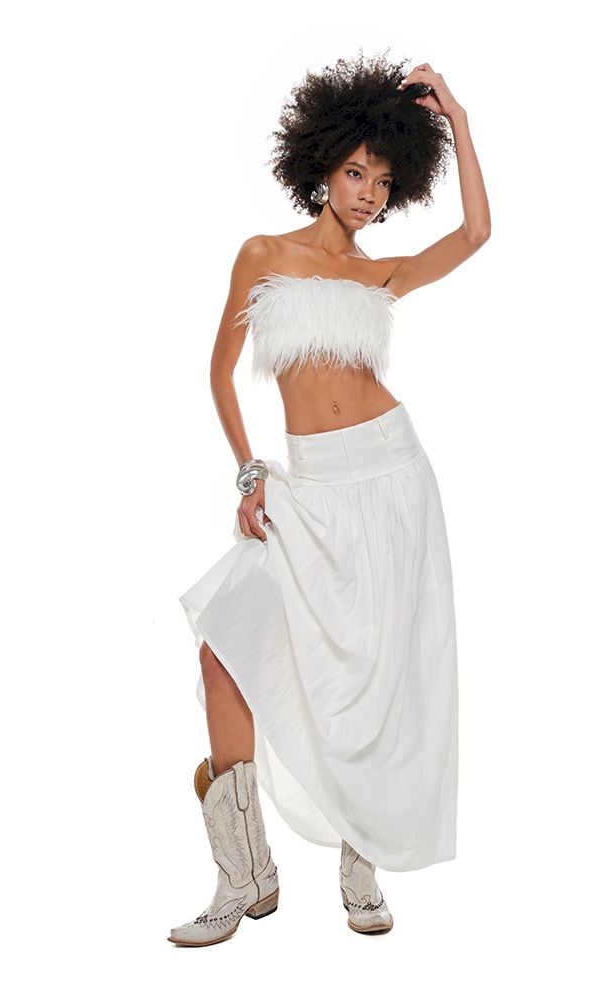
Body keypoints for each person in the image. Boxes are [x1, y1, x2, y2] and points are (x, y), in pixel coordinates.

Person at [168, 49, 490, 947]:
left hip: (392, 477)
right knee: (224, 648)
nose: (368, 195)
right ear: (322, 166)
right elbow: (220, 374)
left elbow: (475, 235)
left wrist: (459, 120)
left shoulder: (377, 274)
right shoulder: (263, 256)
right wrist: (247, 473)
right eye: (355, 174)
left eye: (383, 182)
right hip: (307, 487)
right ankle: (244, 876)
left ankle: (363, 859)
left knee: (376, 676)